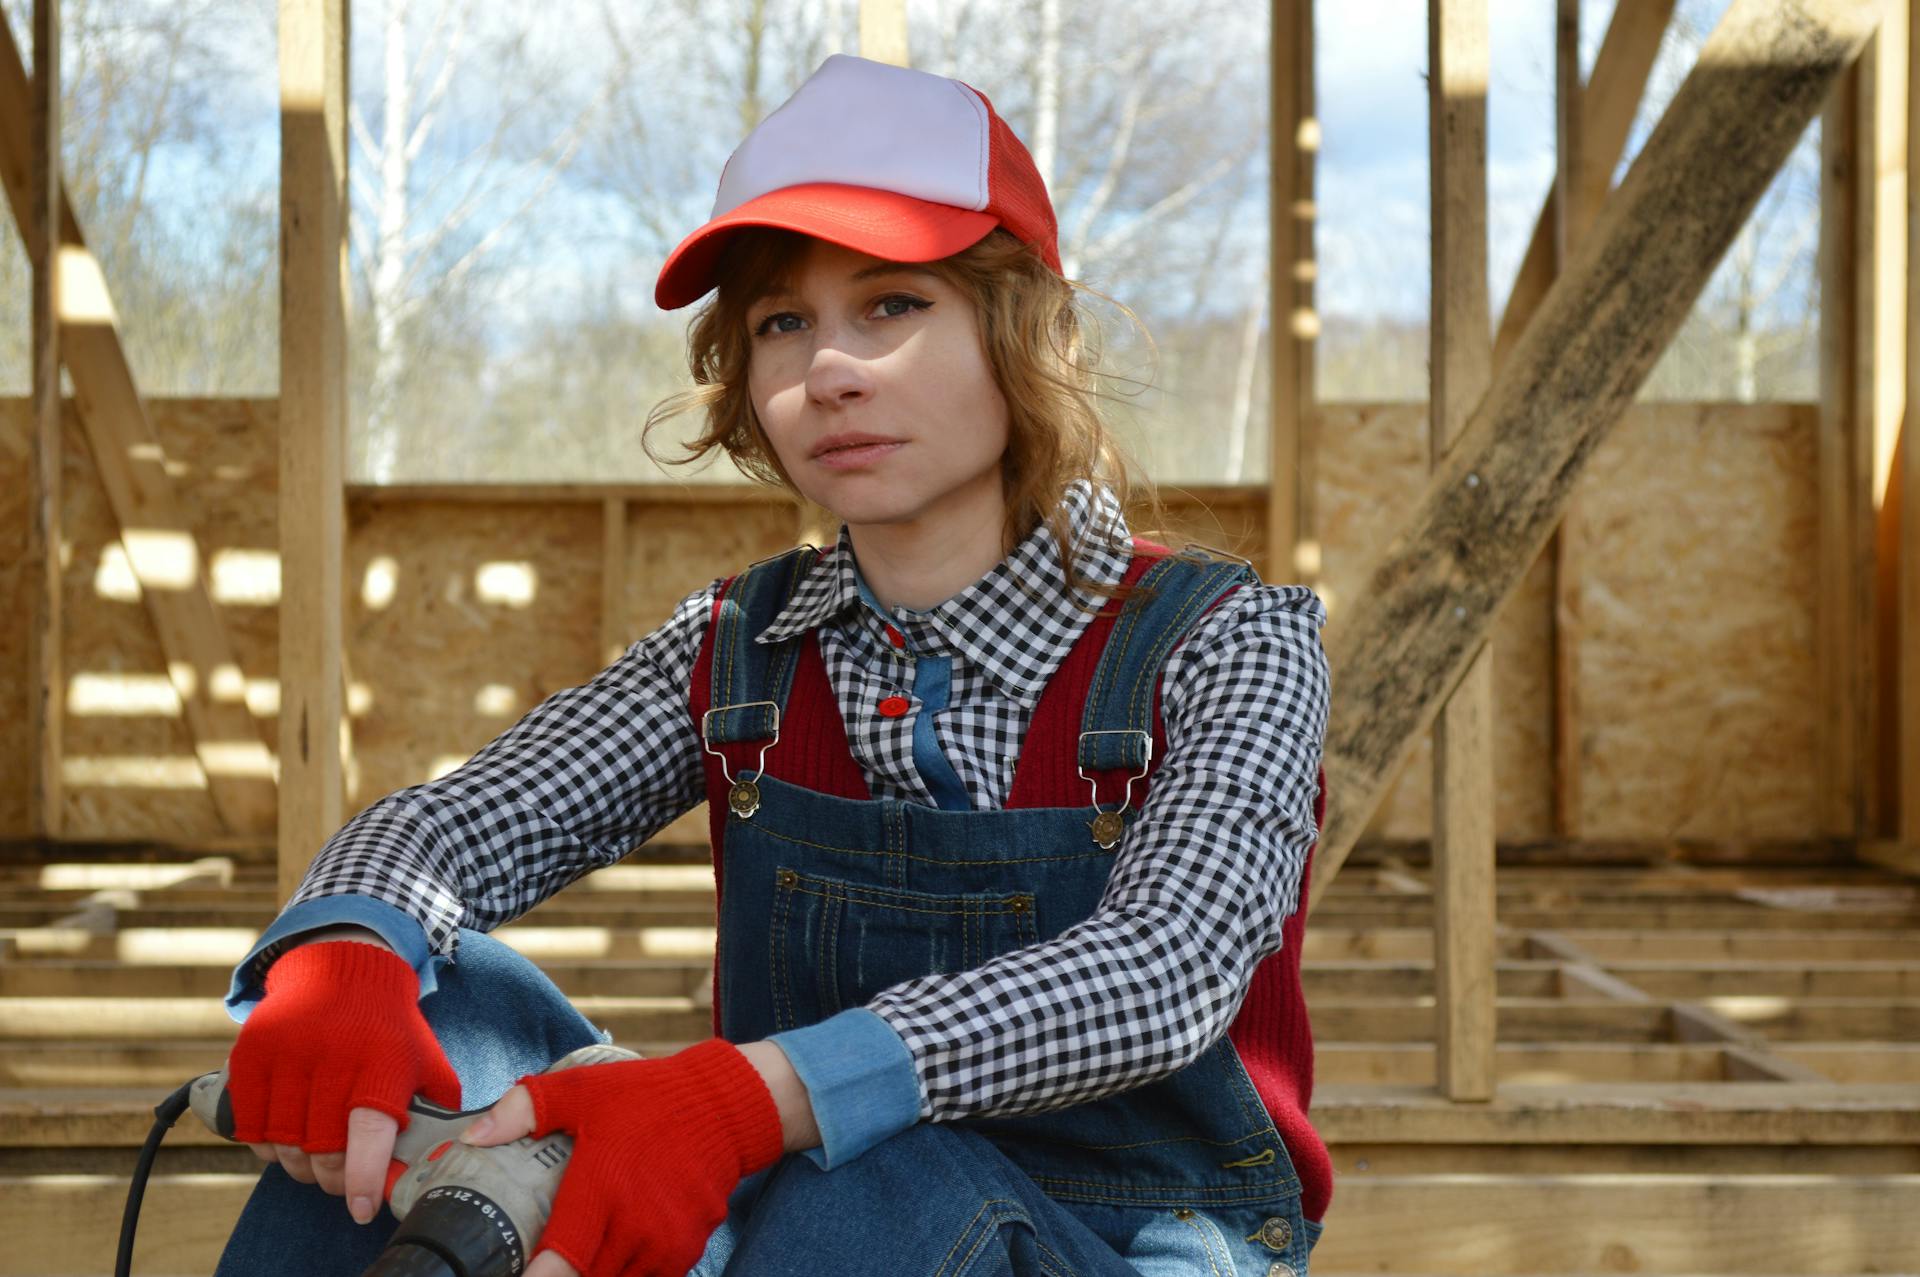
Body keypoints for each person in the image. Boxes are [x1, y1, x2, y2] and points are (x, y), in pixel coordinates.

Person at [214, 52, 1332, 1277]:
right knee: (426, 1019)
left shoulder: (1229, 639)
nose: (829, 370)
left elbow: (1164, 971)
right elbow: (465, 823)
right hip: (804, 1219)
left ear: (1034, 330)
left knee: (887, 1167)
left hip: (1132, 1235)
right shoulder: (737, 645)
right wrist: (349, 946)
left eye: (892, 305)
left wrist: (748, 1099)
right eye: (781, 323)